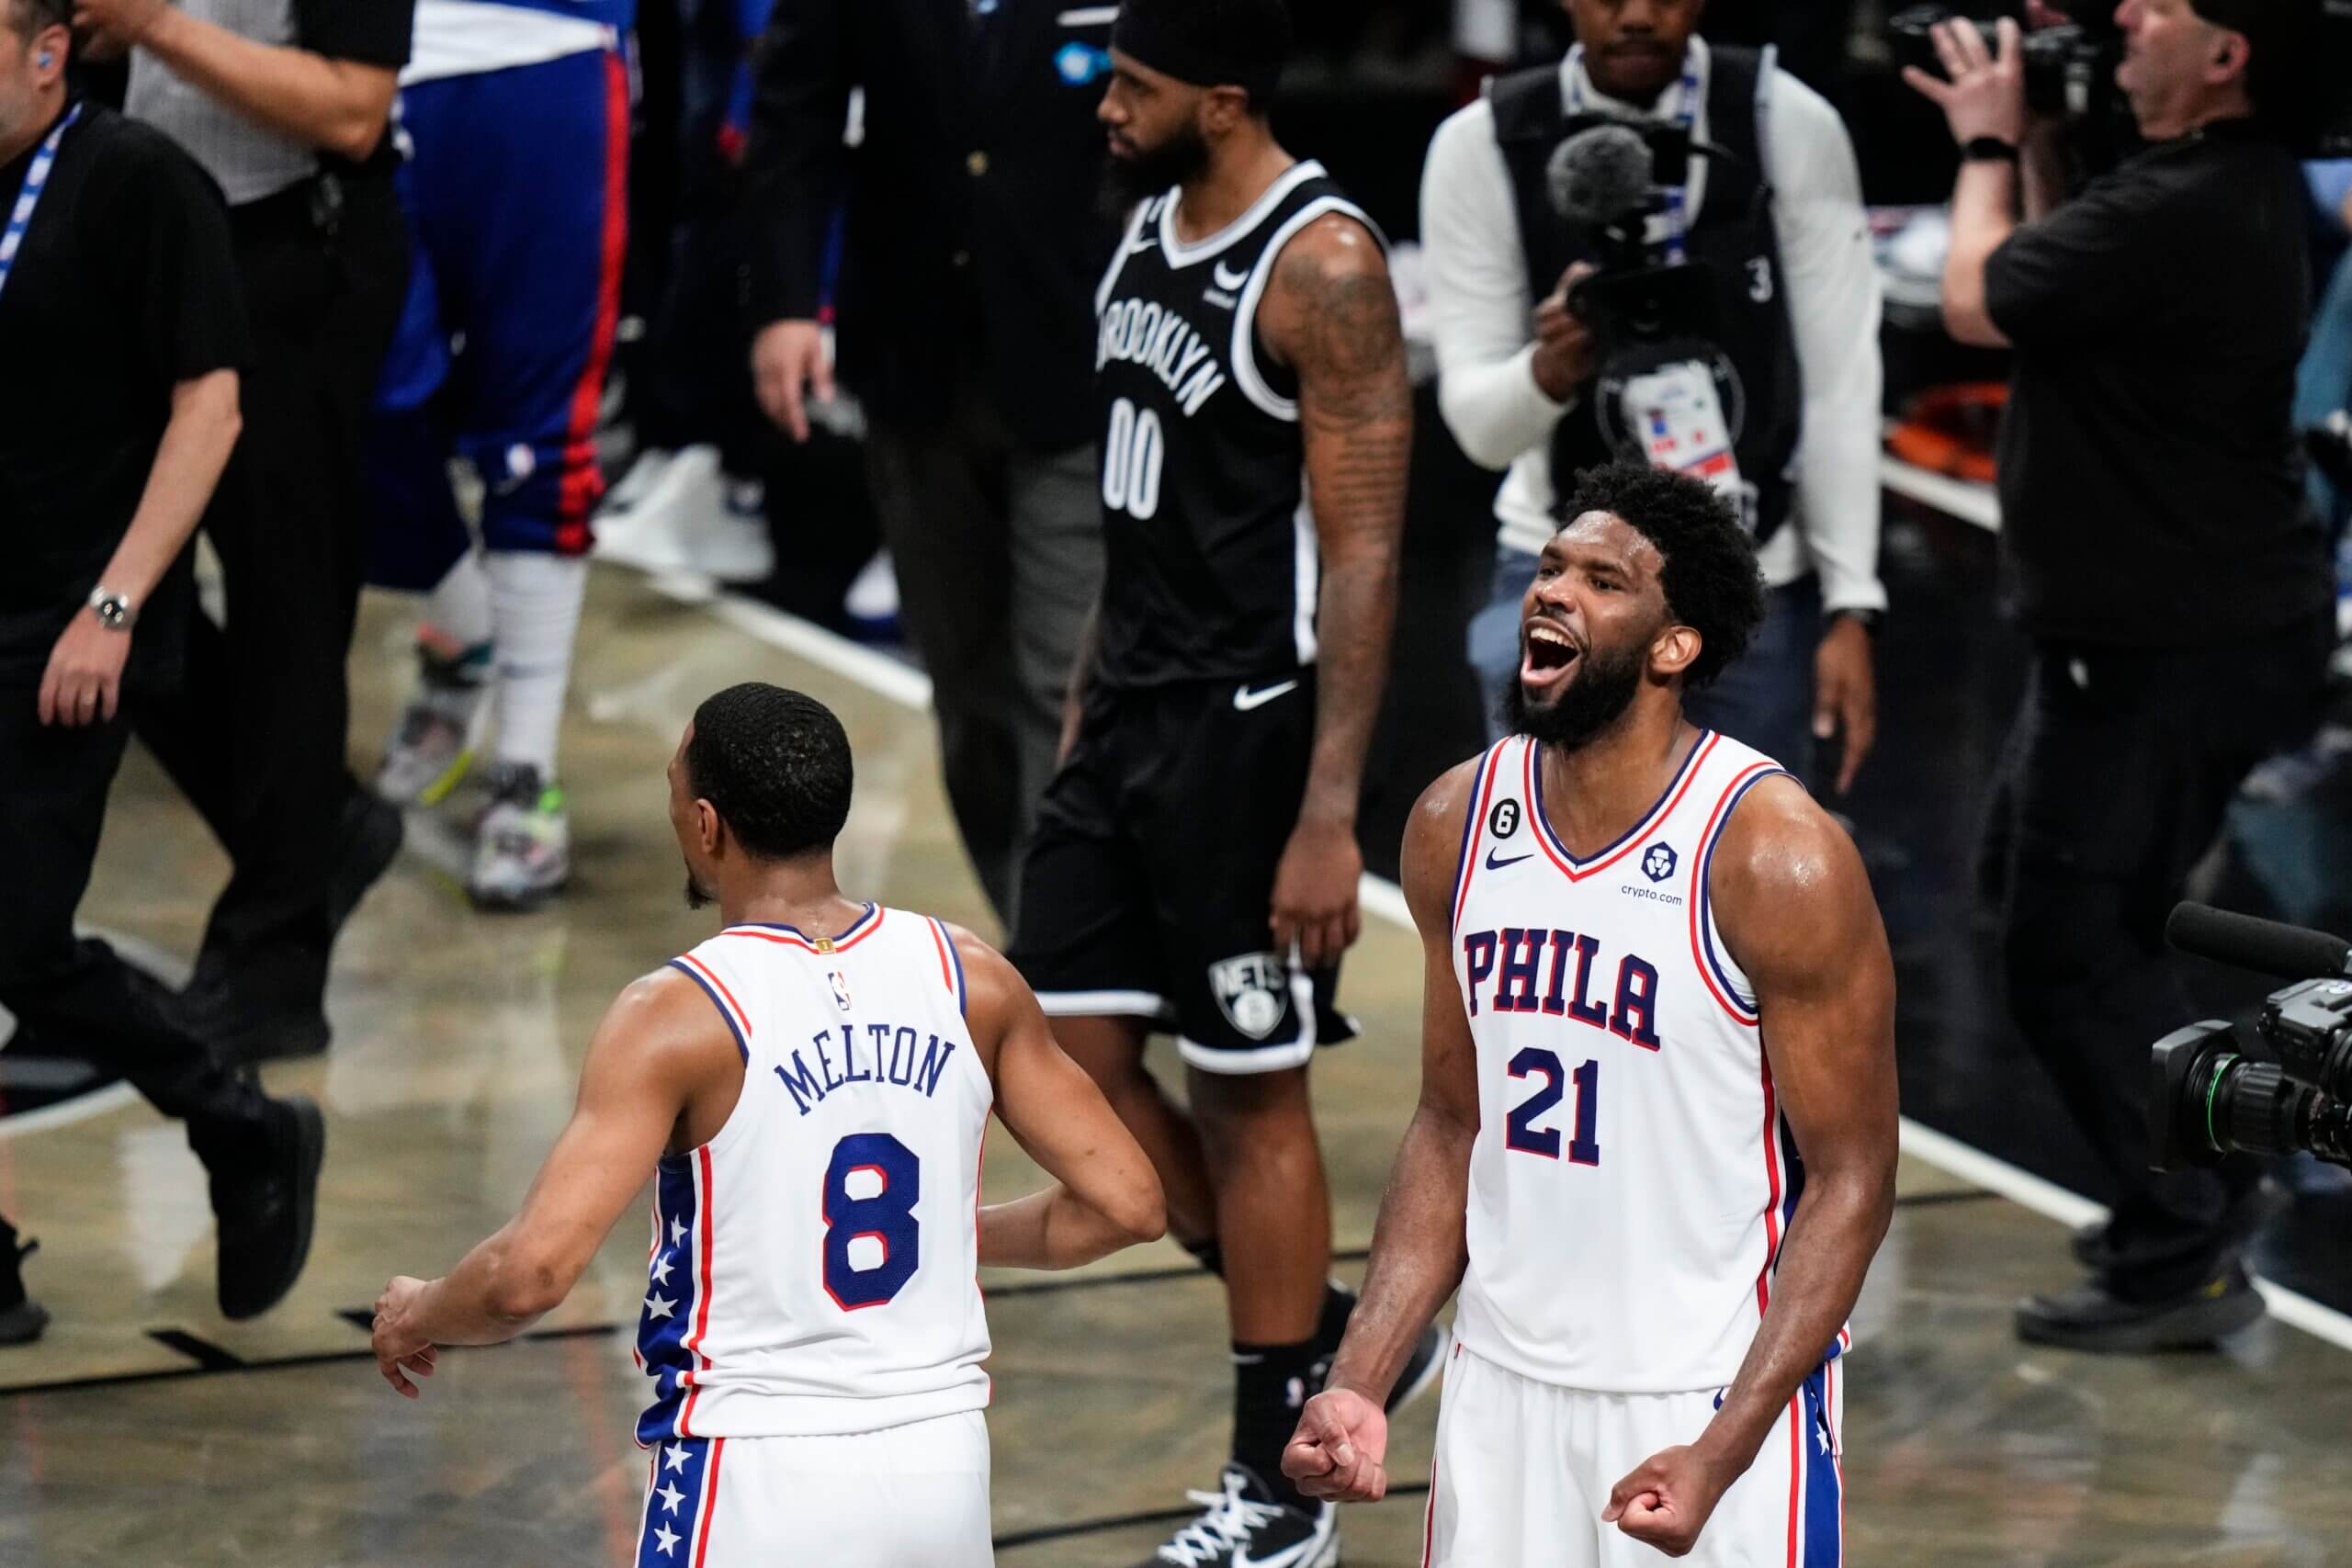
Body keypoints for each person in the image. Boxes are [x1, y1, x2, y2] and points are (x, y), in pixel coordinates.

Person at [370, 683, 1166, 1563]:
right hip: (943, 1471)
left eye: (673, 786)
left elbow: (531, 1274)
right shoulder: (969, 974)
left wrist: (422, 1311)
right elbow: (1128, 1204)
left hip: (752, 1478)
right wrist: (944, 1237)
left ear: (707, 823)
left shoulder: (674, 1015)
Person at [1281, 462, 1898, 1565]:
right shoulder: (1455, 822)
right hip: (1499, 1389)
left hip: (1701, 1397)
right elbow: (1450, 1122)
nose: (1553, 591)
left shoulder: (1774, 856)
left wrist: (1726, 1445)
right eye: (1552, 567)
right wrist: (1360, 1380)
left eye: (1603, 581)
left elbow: (1850, 1179)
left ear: (1674, 646)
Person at [1002, 3, 1432, 1562]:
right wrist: (1076, 720)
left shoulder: (1322, 267)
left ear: (1227, 101)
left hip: (1250, 738)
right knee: (1062, 1056)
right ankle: (1317, 1329)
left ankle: (1280, 1479)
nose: (1107, 106)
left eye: (1137, 86)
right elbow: (1138, 525)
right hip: (1122, 723)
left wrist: (1332, 813)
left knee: (1253, 1099)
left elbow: (1370, 552)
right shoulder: (1140, 234)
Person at [1907, 0, 2333, 1348]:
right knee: (2057, 916)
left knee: (2069, 944)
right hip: (2154, 635)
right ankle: (2205, 1186)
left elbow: (1979, 299)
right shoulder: (2184, 186)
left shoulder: (2201, 196)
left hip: (2162, 646)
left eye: (2162, 4)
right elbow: (2048, 279)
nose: (2124, 15)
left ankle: (2188, 1242)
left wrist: (1982, 145)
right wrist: (2036, 140)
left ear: (2228, 56)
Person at [0, 0, 323, 1337]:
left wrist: (117, 604)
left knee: (15, 934)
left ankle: (241, 1123)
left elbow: (214, 401)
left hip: (68, 629)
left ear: (45, 49)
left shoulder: (136, 180)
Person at [70, 0, 416, 1066]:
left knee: (287, 607)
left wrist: (154, 27)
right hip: (142, 240)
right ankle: (317, 834)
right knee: (100, 575)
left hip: (290, 252)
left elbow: (355, 110)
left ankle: (274, 971)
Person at [1422, 0, 1886, 793]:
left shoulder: (1788, 123)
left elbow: (1841, 379)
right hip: (1557, 572)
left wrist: (1852, 601)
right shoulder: (1485, 143)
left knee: (1740, 899)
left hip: (1756, 577)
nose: (1636, 14)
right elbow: (1479, 429)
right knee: (1543, 887)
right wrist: (1549, 369)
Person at [741, 0, 1118, 926]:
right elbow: (796, 115)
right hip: (912, 362)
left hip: (1083, 353)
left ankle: (1059, 972)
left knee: (1057, 680)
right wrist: (786, 300)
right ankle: (1029, 919)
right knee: (967, 684)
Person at [365, 0, 633, 909]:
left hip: (546, 48)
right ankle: (471, 623)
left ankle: (524, 765)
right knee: (357, 397)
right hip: (358, 54)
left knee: (538, 432)